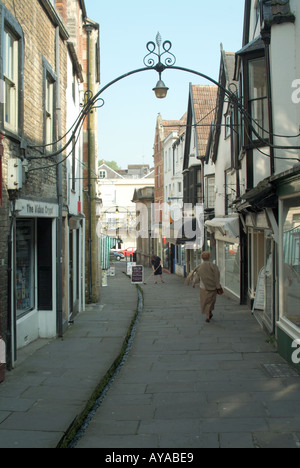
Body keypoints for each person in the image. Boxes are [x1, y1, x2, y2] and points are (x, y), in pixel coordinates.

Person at [188, 251, 221, 323]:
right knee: (211, 300)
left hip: (203, 287)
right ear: (209, 257)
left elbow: (196, 276)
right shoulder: (213, 266)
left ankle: (207, 315)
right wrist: (218, 285)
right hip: (213, 286)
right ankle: (209, 312)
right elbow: (217, 275)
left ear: (202, 258)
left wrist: (194, 283)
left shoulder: (200, 266)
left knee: (205, 301)